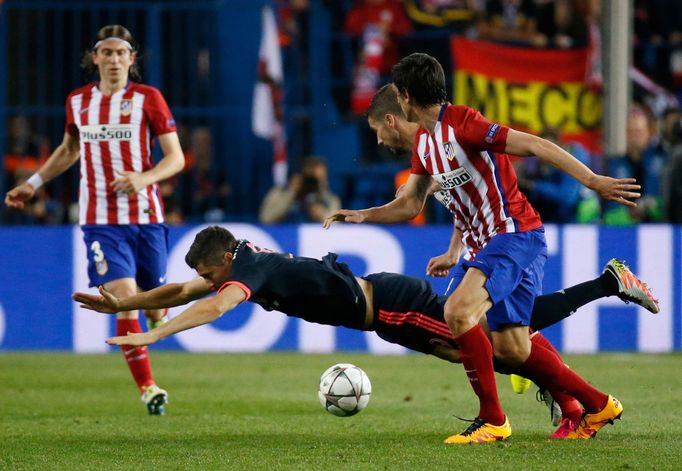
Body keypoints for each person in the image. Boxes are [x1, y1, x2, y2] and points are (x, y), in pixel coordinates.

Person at [324, 53, 643, 443]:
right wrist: (364, 216)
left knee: (457, 313)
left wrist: (592, 181)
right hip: (486, 245)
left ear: (405, 97)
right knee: (510, 349)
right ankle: (597, 405)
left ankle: (493, 419)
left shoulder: (464, 124)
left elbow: (536, 145)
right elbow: (412, 204)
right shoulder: (424, 144)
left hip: (513, 235)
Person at [73, 226, 658, 434]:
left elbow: (215, 308)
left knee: (508, 345)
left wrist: (154, 335)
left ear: (224, 261)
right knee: (505, 345)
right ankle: (581, 384)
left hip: (391, 305)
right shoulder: (244, 258)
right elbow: (183, 292)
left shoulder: (245, 270)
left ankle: (586, 385)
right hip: (387, 313)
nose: (204, 280)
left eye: (208, 272)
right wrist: (121, 305)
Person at [4, 25, 185, 415]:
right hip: (99, 219)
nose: (115, 59)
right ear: (95, 58)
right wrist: (32, 183)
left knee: (154, 308)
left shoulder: (148, 99)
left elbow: (176, 158)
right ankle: (149, 388)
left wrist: (144, 178)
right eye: (107, 53)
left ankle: (156, 315)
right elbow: (69, 149)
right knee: (124, 299)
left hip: (146, 217)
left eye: (122, 53)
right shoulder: (78, 102)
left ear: (132, 60)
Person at [259, 156, 341, 224]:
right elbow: (266, 218)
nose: (313, 183)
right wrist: (291, 192)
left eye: (319, 179)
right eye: (310, 178)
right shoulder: (280, 192)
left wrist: (322, 214)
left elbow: (336, 228)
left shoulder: (331, 200)